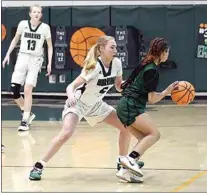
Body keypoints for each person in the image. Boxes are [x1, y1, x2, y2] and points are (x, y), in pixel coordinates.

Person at [29, 35, 143, 183]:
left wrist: (131, 83)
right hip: (79, 104)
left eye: (116, 47)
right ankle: (38, 166)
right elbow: (71, 86)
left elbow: (118, 86)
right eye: (112, 47)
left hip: (96, 104)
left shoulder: (117, 63)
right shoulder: (94, 66)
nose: (116, 49)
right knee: (66, 133)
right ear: (102, 48)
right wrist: (70, 97)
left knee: (126, 127)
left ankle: (122, 162)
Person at [116, 37, 178, 177]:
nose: (167, 55)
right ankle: (130, 160)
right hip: (131, 105)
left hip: (124, 105)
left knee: (143, 137)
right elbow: (152, 99)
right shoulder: (153, 71)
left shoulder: (146, 63)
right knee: (154, 134)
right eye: (167, 52)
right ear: (162, 52)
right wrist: (166, 92)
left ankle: (124, 170)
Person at [2, 4, 53, 131]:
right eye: (34, 12)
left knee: (28, 89)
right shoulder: (22, 24)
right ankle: (28, 112)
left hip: (36, 59)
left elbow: (50, 46)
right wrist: (7, 55)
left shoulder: (45, 28)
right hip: (22, 57)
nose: (36, 14)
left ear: (41, 15)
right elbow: (15, 39)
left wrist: (50, 63)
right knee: (14, 90)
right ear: (30, 14)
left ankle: (25, 120)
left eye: (39, 12)